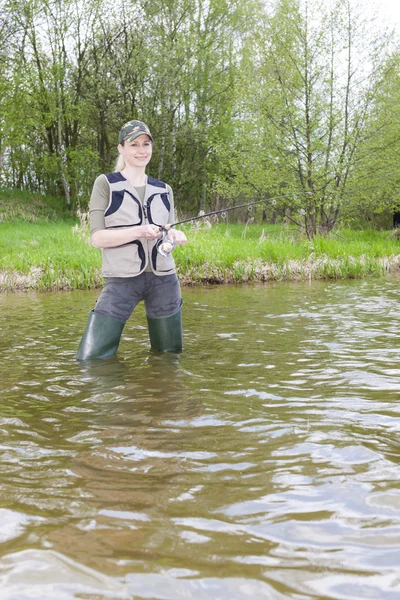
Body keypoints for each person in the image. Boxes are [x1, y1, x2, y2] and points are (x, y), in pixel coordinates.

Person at [76, 120, 187, 360]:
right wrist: (138, 231)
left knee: (169, 358)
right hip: (122, 280)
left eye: (146, 144)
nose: (141, 150)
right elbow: (98, 239)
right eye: (134, 144)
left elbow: (167, 230)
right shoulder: (105, 184)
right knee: (91, 359)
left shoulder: (164, 189)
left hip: (164, 280)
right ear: (121, 148)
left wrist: (175, 235)